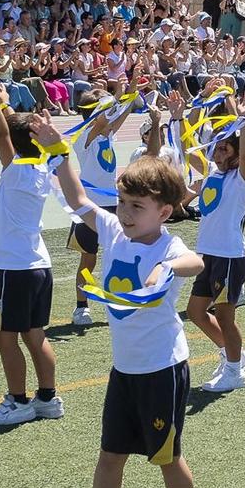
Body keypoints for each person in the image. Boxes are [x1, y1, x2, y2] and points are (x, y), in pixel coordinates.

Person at [57, 150, 209, 488]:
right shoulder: (113, 232)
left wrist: (167, 268)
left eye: (136, 207)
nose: (124, 212)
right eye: (122, 202)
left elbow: (195, 261)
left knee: (166, 457)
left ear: (164, 211)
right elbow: (78, 199)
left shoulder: (169, 244)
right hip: (124, 370)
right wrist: (58, 151)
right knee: (110, 453)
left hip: (161, 370)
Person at [0, 74, 67, 427]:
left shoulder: (16, 171)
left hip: (18, 268)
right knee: (35, 335)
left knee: (5, 337)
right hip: (38, 265)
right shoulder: (41, 167)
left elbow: (1, 134)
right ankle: (47, 398)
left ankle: (18, 400)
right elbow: (10, 132)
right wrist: (4, 101)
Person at [185, 90, 245, 395]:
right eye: (216, 145)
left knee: (225, 316)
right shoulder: (210, 176)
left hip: (229, 256)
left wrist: (244, 120)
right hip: (208, 256)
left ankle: (234, 372)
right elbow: (189, 159)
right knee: (195, 312)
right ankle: (233, 356)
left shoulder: (242, 178)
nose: (217, 151)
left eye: (224, 146)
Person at [69, 101, 134, 327]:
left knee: (120, 254)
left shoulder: (107, 136)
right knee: (88, 259)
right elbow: (104, 120)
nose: (112, 119)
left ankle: (120, 299)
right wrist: (115, 98)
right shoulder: (84, 139)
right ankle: (81, 307)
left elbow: (118, 118)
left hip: (113, 206)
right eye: (107, 112)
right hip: (90, 207)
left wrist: (131, 94)